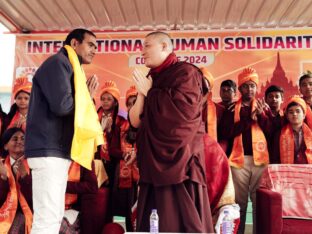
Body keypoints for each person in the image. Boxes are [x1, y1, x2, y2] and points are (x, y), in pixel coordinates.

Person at [130, 31, 213, 233]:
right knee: (153, 217)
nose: (142, 51)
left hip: (180, 161)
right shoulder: (151, 79)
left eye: (147, 46)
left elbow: (182, 118)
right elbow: (135, 123)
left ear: (165, 47)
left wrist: (152, 92)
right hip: (152, 161)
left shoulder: (186, 73)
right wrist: (143, 93)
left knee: (182, 220)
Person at [25, 28, 99, 234]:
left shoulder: (69, 66)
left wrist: (85, 95)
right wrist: (86, 95)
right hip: (48, 150)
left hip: (56, 150)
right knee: (47, 219)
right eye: (90, 44)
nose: (95, 50)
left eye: (96, 46)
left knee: (54, 217)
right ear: (74, 44)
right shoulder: (58, 63)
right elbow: (63, 106)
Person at [219, 67, 270, 234]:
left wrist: (261, 116)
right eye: (246, 86)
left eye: (253, 86)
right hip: (238, 161)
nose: (250, 89)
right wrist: (249, 119)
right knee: (239, 203)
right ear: (240, 89)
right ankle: (238, 232)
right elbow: (226, 132)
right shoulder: (232, 108)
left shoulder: (264, 107)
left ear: (256, 87)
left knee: (258, 202)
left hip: (260, 161)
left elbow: (271, 132)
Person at [97, 81, 138, 231]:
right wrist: (125, 153)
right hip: (121, 172)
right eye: (130, 104)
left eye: (136, 103)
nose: (133, 106)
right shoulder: (121, 124)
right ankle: (121, 230)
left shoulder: (148, 124)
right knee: (120, 208)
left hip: (142, 174)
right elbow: (113, 150)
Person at [0, 128, 33, 233]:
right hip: (6, 211)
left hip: (28, 211)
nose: (19, 141)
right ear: (5, 146)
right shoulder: (2, 165)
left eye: (23, 139)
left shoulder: (33, 164)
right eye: (15, 139)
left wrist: (25, 177)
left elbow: (36, 198)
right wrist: (3, 178)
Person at [59, 161, 98, 234]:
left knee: (60, 227)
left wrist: (62, 185)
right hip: (52, 207)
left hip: (74, 209)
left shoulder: (84, 158)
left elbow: (92, 186)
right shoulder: (53, 157)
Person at [272, 96, 312, 164]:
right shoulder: (279, 134)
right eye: (291, 112)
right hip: (286, 172)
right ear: (287, 116)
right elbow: (275, 158)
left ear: (304, 115)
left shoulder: (311, 133)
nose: (294, 114)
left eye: (298, 111)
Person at [264, 85, 284, 162]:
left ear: (282, 99)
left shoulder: (286, 117)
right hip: (262, 155)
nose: (274, 99)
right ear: (265, 99)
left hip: (282, 155)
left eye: (277, 96)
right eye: (270, 96)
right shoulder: (261, 116)